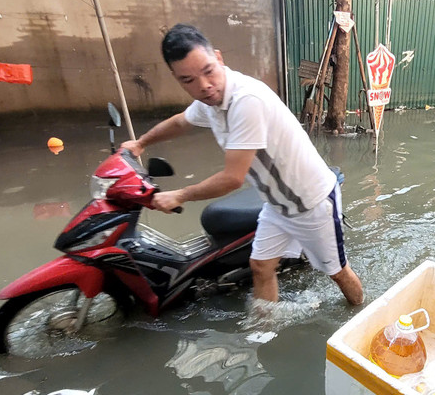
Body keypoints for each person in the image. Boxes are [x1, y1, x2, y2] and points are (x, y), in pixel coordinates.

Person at [122, 23, 363, 308]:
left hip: (312, 202)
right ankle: (264, 333)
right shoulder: (209, 101)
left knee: (337, 272)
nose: (203, 86)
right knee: (260, 267)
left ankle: (359, 314)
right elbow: (181, 122)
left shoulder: (246, 101)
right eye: (188, 80)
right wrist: (140, 143)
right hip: (277, 205)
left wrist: (179, 194)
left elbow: (232, 178)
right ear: (177, 79)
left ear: (219, 59)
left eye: (208, 71)